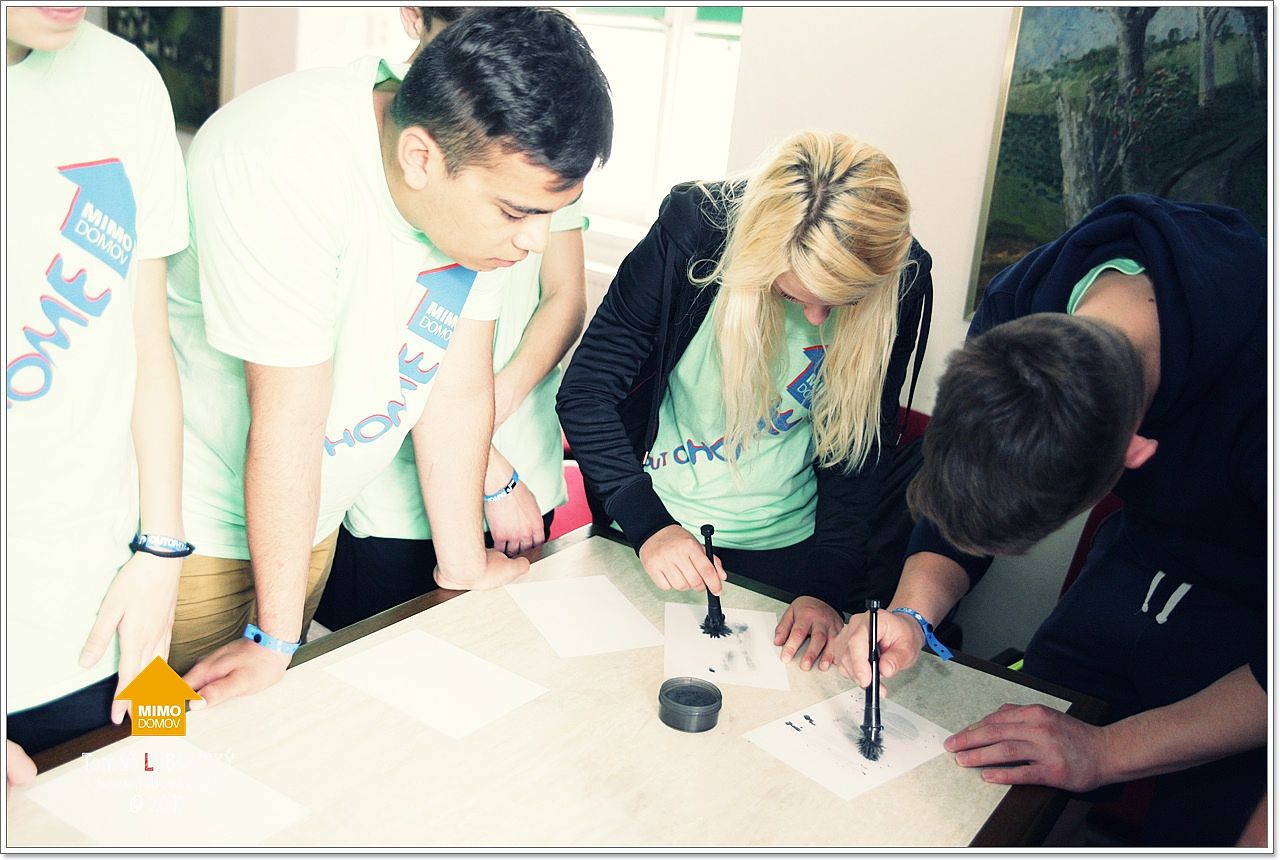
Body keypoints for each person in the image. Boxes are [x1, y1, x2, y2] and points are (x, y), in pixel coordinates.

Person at [165, 6, 612, 707]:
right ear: (420, 158)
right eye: (516, 212)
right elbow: (289, 418)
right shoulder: (282, 157)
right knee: (155, 735)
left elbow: (457, 393)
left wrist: (463, 565)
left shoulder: (473, 212)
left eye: (550, 212)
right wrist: (275, 638)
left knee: (251, 737)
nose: (534, 241)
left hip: (306, 521)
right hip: (193, 530)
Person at [833, 194, 1265, 846]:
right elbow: (970, 498)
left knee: (1199, 822)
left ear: (1136, 453)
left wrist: (1107, 752)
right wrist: (912, 613)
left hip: (1255, 592)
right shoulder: (1019, 308)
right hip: (1141, 553)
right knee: (1017, 755)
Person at [557, 131, 932, 671]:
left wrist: (826, 587)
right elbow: (586, 392)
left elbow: (859, 448)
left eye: (842, 302)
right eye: (793, 295)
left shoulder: (900, 277)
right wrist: (649, 524)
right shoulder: (696, 232)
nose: (817, 319)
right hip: (657, 526)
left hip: (790, 547)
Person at [314, 6, 589, 630]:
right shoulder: (372, 151)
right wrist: (487, 462)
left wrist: (491, 407)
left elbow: (564, 300)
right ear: (415, 18)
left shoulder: (542, 142)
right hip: (395, 486)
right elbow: (385, 352)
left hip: (508, 454)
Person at [6, 6, 188, 782]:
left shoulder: (125, 79)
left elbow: (149, 343)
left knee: (170, 794)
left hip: (117, 595)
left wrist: (163, 552)